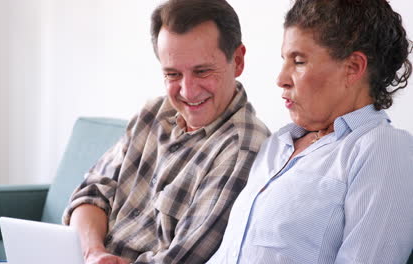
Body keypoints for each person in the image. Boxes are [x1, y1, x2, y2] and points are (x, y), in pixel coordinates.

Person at [63, 0, 269, 264]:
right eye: (172, 74)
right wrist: (93, 253)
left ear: (237, 61)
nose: (188, 91)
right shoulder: (153, 113)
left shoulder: (242, 148)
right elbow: (92, 192)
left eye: (202, 71)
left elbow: (181, 260)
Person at [207, 0, 413, 263]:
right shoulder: (277, 145)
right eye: (284, 60)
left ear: (353, 68)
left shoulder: (383, 149)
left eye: (299, 61)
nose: (280, 78)